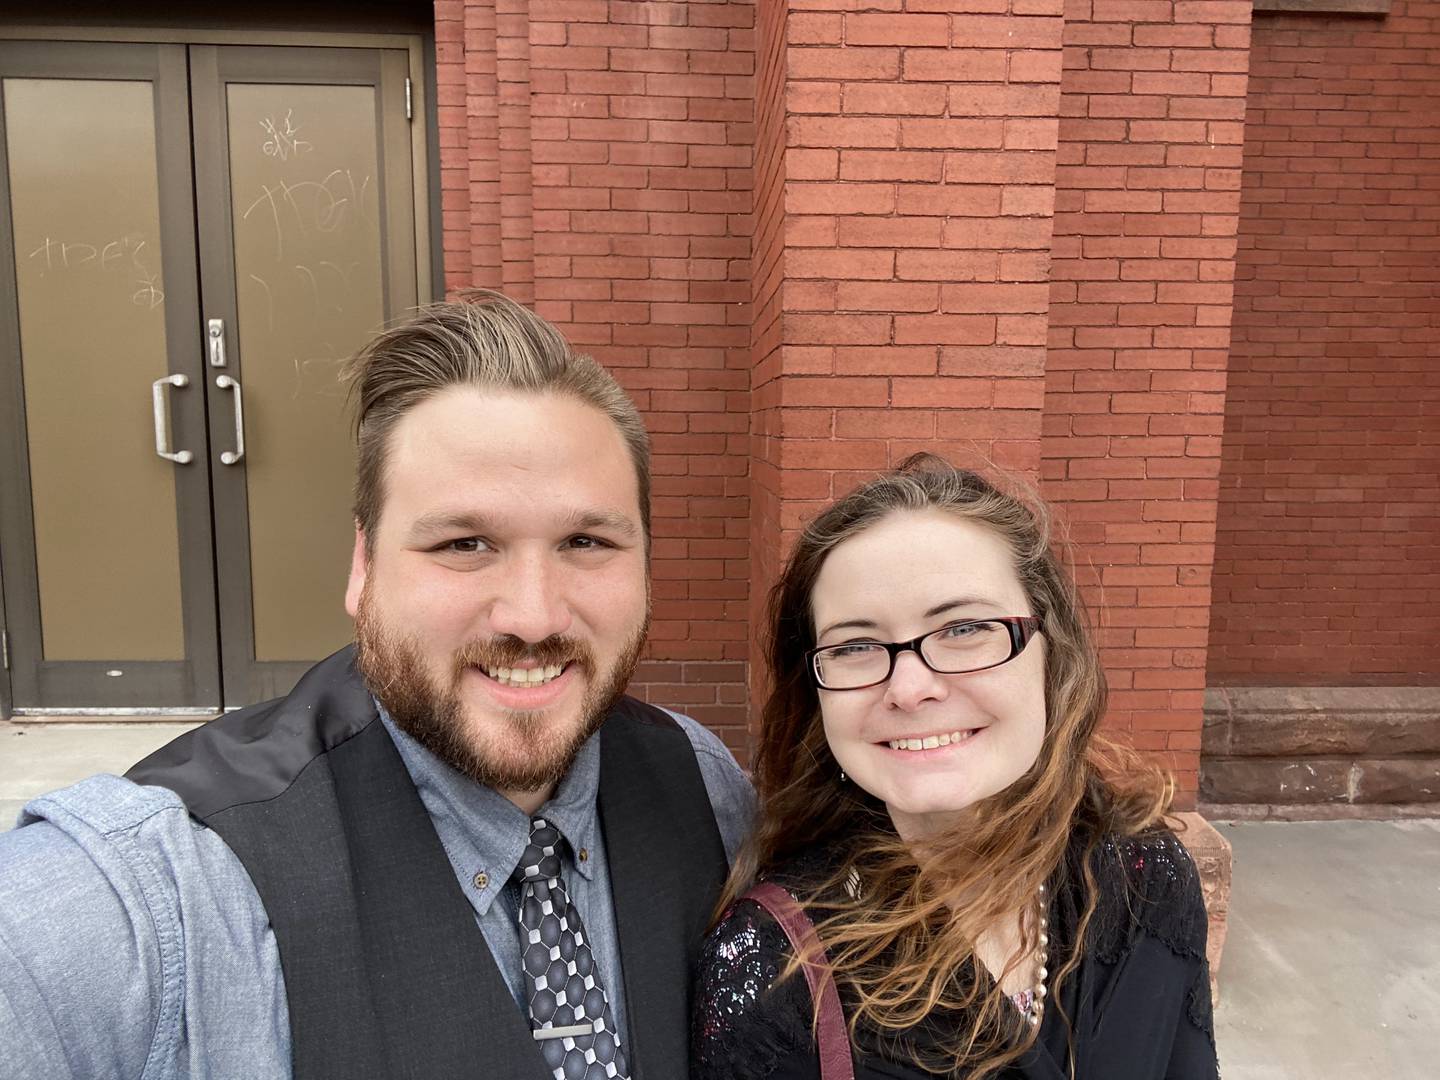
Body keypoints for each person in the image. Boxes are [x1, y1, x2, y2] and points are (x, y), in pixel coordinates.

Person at [0, 292, 754, 1080]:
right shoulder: (165, 893)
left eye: (587, 541)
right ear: (363, 566)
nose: (533, 616)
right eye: (464, 543)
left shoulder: (705, 790)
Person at [692, 455, 1218, 1080]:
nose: (909, 689)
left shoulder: (1146, 878)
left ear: (1053, 654)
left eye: (964, 628)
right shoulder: (771, 971)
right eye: (855, 645)